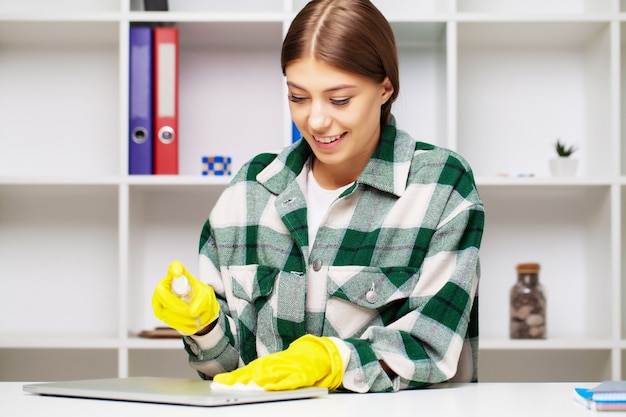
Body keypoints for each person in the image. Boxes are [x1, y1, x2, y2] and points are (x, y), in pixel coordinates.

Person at [152, 0, 484, 393]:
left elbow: (431, 349)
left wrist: (332, 361)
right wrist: (202, 322)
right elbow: (226, 373)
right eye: (298, 97)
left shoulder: (440, 185)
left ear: (385, 88)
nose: (316, 120)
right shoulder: (250, 188)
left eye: (339, 99)